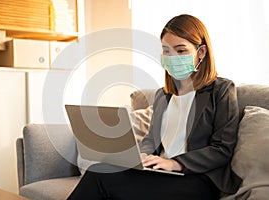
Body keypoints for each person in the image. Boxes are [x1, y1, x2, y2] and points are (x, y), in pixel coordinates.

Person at [67, 14, 242, 200]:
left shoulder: (221, 90)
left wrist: (175, 163)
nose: (172, 57)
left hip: (198, 179)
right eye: (166, 51)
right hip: (161, 173)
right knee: (99, 169)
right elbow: (151, 139)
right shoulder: (162, 95)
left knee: (101, 178)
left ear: (201, 52)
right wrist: (142, 157)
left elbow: (222, 148)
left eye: (181, 51)